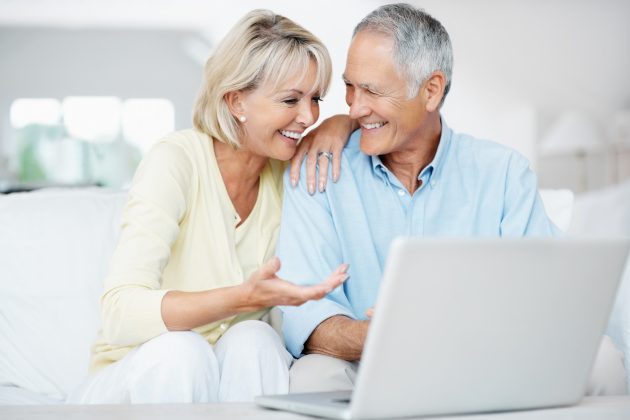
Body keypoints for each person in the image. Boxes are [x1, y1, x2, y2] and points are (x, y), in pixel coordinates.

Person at [276, 3, 626, 395]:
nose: (354, 107)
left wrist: (463, 332)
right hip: (365, 361)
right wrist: (380, 335)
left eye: (372, 90)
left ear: (431, 90)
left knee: (604, 361)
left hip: (486, 357)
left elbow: (548, 294)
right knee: (312, 377)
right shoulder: (319, 168)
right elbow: (303, 310)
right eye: (350, 86)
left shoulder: (503, 173)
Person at [66, 9, 350, 404]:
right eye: (291, 99)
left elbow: (352, 132)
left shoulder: (289, 173)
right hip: (138, 373)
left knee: (255, 338)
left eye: (316, 99)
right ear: (236, 101)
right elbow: (119, 313)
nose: (308, 116)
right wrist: (241, 298)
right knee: (182, 351)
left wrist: (344, 123)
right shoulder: (176, 160)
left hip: (223, 374)